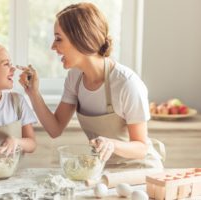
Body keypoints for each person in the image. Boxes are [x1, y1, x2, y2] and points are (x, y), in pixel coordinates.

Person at [19, 3, 164, 169]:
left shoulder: (126, 84)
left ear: (82, 39)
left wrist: (112, 144)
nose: (53, 46)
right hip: (103, 169)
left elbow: (141, 148)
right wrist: (33, 93)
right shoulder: (75, 77)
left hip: (139, 169)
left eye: (58, 38)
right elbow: (55, 129)